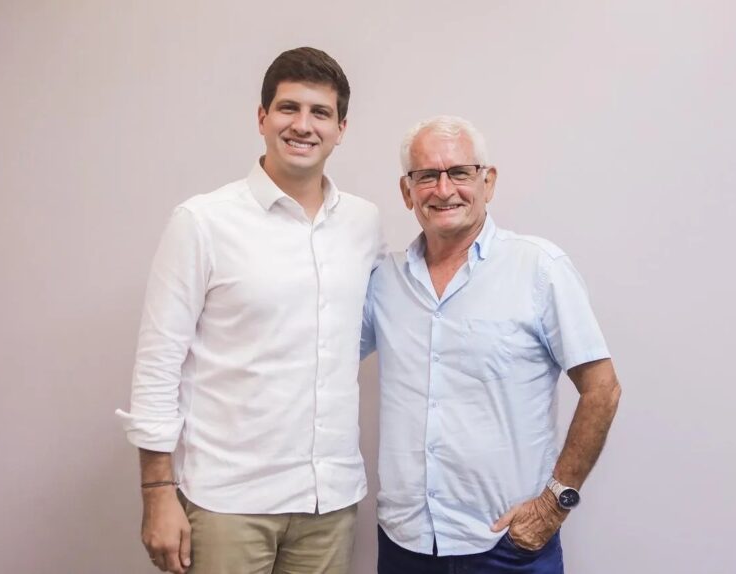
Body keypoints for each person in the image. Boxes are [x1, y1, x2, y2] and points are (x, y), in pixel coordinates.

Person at [116, 47, 384, 574]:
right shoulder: (202, 222)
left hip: (329, 502)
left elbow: (350, 332)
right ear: (262, 118)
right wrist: (157, 493)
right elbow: (158, 363)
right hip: (227, 501)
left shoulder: (363, 223)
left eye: (320, 112)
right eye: (288, 108)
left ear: (341, 128)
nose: (302, 125)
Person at [361, 115, 621, 573]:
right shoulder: (384, 281)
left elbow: (603, 389)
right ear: (407, 191)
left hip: (507, 548)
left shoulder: (538, 268)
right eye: (427, 176)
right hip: (406, 542)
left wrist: (554, 504)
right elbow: (319, 358)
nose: (444, 189)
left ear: (488, 181)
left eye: (460, 172)